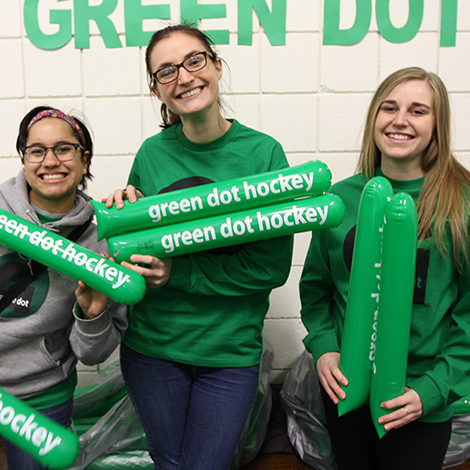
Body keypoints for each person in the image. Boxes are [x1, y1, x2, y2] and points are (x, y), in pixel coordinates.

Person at [104, 23, 293, 470]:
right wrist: (122, 218)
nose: (184, 77)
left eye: (194, 60)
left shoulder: (264, 155)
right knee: (169, 463)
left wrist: (179, 273)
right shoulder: (151, 153)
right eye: (165, 71)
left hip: (227, 355)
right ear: (157, 90)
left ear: (217, 65)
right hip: (152, 350)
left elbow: (270, 270)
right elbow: (134, 252)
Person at [299, 67, 470, 470]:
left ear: (437, 125)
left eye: (418, 111)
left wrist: (432, 390)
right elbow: (316, 290)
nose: (399, 120)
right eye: (389, 107)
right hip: (347, 388)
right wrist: (325, 350)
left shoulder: (461, 205)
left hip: (420, 398)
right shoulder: (339, 201)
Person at [0, 106, 127, 470]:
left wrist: (93, 313)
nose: (49, 160)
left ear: (84, 159)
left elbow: (92, 354)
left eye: (64, 148)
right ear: (23, 159)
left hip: (40, 396)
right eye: (36, 150)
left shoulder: (104, 240)